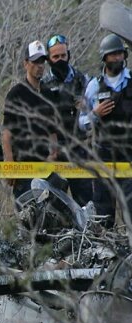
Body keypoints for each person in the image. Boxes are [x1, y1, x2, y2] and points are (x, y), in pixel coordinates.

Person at [79, 33, 132, 227]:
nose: (117, 58)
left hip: (128, 155)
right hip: (104, 155)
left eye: (120, 54)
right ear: (104, 58)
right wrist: (96, 113)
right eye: (113, 54)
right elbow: (81, 123)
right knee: (103, 214)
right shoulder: (94, 86)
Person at [41, 34, 93, 206]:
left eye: (63, 56)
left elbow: (95, 110)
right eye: (56, 57)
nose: (60, 60)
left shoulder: (83, 80)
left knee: (85, 201)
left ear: (68, 55)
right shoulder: (43, 84)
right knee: (52, 203)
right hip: (53, 150)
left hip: (79, 148)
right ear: (48, 59)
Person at [2, 40, 58, 198]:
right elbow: (6, 133)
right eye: (35, 61)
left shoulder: (48, 94)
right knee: (27, 216)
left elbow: (52, 131)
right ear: (26, 63)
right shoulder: (16, 94)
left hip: (45, 167)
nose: (40, 65)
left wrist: (53, 154)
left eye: (42, 61)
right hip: (23, 168)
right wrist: (9, 164)